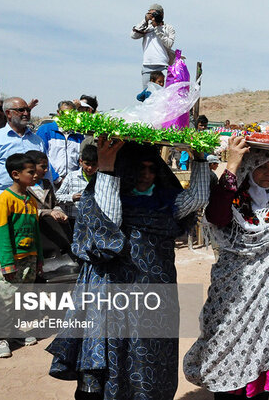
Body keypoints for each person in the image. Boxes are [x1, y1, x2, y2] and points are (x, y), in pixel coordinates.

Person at [47, 138, 210, 400]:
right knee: (112, 354)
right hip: (112, 292)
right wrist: (108, 168)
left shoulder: (164, 202)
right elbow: (107, 229)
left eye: (151, 168)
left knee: (149, 355)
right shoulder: (99, 195)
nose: (146, 175)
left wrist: (200, 158)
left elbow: (197, 199)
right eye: (138, 169)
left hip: (154, 295)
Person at [183, 138, 269, 399]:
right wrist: (231, 166)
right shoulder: (232, 195)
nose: (268, 175)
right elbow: (216, 216)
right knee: (224, 344)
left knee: (263, 355)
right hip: (233, 290)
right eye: (262, 167)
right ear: (249, 167)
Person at [0, 153, 42, 358]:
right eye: (31, 172)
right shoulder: (4, 201)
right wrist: (7, 263)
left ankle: (14, 331)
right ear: (15, 174)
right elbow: (1, 233)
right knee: (6, 298)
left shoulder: (31, 200)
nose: (36, 175)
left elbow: (36, 233)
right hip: (11, 261)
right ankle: (1, 337)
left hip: (29, 258)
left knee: (22, 298)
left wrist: (39, 259)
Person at [0, 97, 47, 214]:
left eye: (28, 110)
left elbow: (46, 173)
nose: (26, 113)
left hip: (34, 202)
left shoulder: (37, 141)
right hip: (4, 202)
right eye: (21, 110)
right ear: (8, 113)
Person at [24, 150, 73, 263]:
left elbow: (54, 204)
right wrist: (48, 212)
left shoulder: (46, 183)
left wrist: (58, 212)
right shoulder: (24, 187)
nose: (46, 170)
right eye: (43, 167)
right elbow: (25, 211)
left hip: (51, 231)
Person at [36, 100, 84, 185]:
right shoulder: (45, 130)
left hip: (73, 182)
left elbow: (80, 159)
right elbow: (40, 156)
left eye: (71, 114)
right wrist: (56, 179)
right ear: (58, 113)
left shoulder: (78, 134)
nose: (68, 116)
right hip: (50, 181)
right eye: (65, 113)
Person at [131, 4, 176, 88]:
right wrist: (145, 20)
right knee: (147, 97)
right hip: (147, 66)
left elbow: (169, 44)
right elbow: (133, 35)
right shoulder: (146, 27)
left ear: (162, 14)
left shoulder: (168, 28)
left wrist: (157, 28)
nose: (153, 16)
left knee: (163, 96)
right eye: (151, 14)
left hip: (162, 65)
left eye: (155, 13)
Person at [55, 145, 98, 225]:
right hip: (72, 220)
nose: (90, 168)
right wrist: (72, 198)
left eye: (94, 165)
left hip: (91, 222)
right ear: (80, 162)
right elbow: (57, 197)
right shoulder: (71, 177)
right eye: (87, 164)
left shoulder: (100, 179)